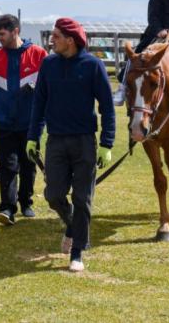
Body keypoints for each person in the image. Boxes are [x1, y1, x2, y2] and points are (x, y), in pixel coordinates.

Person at [26, 18, 115, 273]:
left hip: (85, 142)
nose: (51, 40)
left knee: (82, 197)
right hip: (56, 141)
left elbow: (107, 108)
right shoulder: (48, 64)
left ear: (71, 40)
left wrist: (106, 144)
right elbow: (39, 104)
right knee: (53, 195)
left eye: (56, 36)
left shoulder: (93, 66)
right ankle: (72, 224)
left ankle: (77, 252)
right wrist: (33, 137)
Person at [0, 14, 47, 225]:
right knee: (8, 165)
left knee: (28, 164)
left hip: (30, 124)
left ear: (15, 31)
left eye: (2, 34)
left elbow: (48, 89)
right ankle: (7, 208)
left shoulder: (38, 55)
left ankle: (26, 202)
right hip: (3, 122)